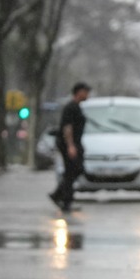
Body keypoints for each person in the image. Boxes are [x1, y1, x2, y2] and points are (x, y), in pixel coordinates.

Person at [48, 82, 90, 212]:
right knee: (72, 170)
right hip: (69, 144)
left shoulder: (76, 107)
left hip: (74, 143)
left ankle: (61, 196)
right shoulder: (71, 108)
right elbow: (67, 127)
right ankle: (65, 200)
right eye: (85, 92)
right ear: (79, 92)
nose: (87, 95)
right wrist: (70, 145)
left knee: (73, 171)